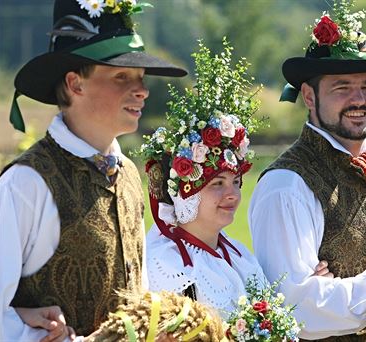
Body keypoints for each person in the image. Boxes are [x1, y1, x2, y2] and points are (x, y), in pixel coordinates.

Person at [0, 0, 187, 340]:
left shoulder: (128, 174)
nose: (142, 90)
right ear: (76, 84)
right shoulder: (26, 182)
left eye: (141, 78)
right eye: (121, 76)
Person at [248, 1, 366, 341]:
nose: (358, 99)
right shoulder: (287, 184)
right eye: (342, 87)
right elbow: (297, 310)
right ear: (309, 97)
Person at [141, 39, 333, 321]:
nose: (231, 194)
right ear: (187, 191)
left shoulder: (239, 256)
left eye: (235, 182)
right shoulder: (166, 262)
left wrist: (307, 289)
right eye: (217, 184)